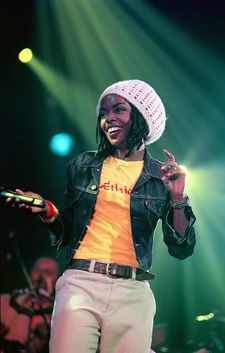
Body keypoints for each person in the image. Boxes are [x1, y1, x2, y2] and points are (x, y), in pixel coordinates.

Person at [6, 80, 196, 353]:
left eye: (119, 110)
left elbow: (181, 248)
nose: (109, 119)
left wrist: (178, 198)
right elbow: (67, 232)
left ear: (142, 118)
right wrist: (46, 209)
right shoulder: (84, 165)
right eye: (104, 113)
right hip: (80, 283)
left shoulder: (161, 175)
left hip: (132, 291)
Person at [0, 256, 59, 353]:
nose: (42, 275)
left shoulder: (58, 314)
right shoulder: (5, 301)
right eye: (37, 270)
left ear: (58, 279)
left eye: (48, 272)